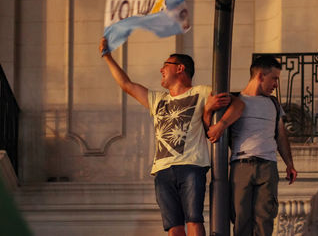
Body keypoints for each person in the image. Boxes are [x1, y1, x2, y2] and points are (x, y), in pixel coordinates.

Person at [99, 38, 243, 236]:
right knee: (173, 227)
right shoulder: (157, 99)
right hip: (162, 169)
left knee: (194, 219)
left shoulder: (201, 91)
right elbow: (126, 84)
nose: (161, 70)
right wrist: (107, 56)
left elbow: (238, 104)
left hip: (191, 166)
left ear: (180, 68)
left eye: (165, 65)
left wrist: (220, 125)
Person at [207, 54, 297, 236]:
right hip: (241, 164)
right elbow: (212, 128)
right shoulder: (234, 100)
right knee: (240, 220)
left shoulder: (273, 103)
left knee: (265, 219)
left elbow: (281, 136)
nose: (276, 85)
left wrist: (289, 164)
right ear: (260, 76)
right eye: (274, 79)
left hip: (267, 165)